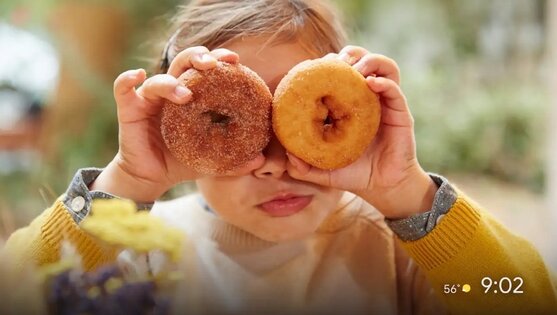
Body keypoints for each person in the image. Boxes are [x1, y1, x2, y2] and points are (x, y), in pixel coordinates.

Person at [3, 0, 556, 314]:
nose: (276, 162)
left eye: (308, 121)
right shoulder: (139, 252)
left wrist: (406, 194)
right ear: (178, 127)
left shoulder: (405, 258)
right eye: (232, 125)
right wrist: (130, 181)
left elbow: (519, 300)